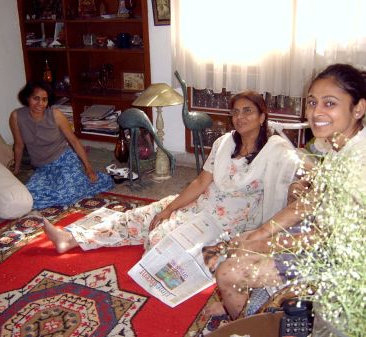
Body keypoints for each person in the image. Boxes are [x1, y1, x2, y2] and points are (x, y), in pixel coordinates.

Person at [43, 90, 300, 255]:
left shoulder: (275, 151)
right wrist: (169, 208)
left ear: (262, 116)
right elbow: (201, 181)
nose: (240, 117)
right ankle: (72, 238)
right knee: (146, 215)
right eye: (235, 112)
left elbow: (296, 170)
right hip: (200, 206)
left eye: (248, 111)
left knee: (158, 241)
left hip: (226, 223)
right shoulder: (224, 144)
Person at [208, 63, 366, 321]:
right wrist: (256, 235)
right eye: (312, 102)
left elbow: (322, 239)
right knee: (240, 240)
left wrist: (259, 244)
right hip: (321, 235)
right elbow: (309, 203)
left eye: (330, 103)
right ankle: (246, 308)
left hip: (341, 262)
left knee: (228, 271)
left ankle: (248, 322)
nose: (316, 112)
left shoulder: (358, 166)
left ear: (358, 108)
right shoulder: (340, 145)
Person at [9, 80, 114, 209]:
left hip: (64, 160)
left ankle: (92, 179)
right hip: (42, 167)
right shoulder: (16, 116)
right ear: (27, 98)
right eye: (36, 98)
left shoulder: (55, 114)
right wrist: (17, 170)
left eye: (44, 99)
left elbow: (74, 141)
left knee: (67, 195)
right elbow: (19, 145)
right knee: (30, 198)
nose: (40, 104)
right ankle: (76, 184)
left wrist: (88, 168)